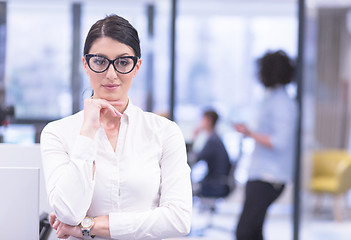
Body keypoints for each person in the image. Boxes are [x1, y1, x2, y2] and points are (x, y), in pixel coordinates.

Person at [40, 14, 192, 240]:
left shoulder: (164, 132)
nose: (111, 75)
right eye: (100, 61)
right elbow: (68, 213)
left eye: (122, 62)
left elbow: (178, 220)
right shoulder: (58, 133)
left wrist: (87, 226)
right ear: (85, 64)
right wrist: (88, 131)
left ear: (137, 66)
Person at [233, 50, 298, 240]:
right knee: (254, 231)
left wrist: (250, 133)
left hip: (269, 178)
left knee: (244, 232)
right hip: (262, 174)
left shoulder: (281, 103)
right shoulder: (273, 98)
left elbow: (279, 141)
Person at [191, 109, 231, 198]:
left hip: (213, 185)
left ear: (208, 120)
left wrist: (194, 137)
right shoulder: (216, 138)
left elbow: (195, 159)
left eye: (202, 119)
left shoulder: (213, 141)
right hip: (218, 182)